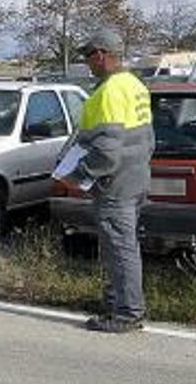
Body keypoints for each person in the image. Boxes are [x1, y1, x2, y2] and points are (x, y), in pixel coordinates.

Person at [67, 28, 153, 333]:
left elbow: (106, 153)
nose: (87, 63)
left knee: (120, 247)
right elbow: (148, 140)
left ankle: (127, 312)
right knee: (125, 246)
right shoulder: (135, 85)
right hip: (136, 179)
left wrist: (78, 176)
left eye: (88, 56)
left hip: (115, 184)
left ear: (102, 54)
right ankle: (119, 299)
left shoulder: (109, 92)